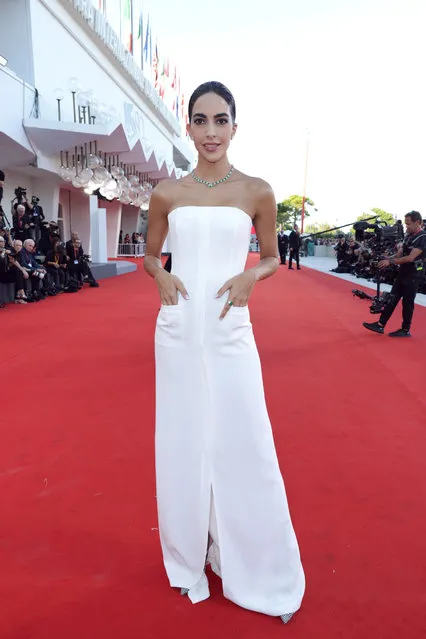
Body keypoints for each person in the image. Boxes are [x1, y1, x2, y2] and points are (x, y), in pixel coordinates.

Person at [144, 81, 305, 624]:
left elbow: (273, 258)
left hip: (231, 325)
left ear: (236, 125)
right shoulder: (166, 192)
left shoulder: (257, 191)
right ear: (187, 126)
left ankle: (259, 565)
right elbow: (149, 257)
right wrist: (161, 275)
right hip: (180, 327)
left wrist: (251, 276)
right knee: (185, 441)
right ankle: (189, 554)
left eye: (221, 120)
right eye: (200, 120)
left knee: (246, 437)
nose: (211, 131)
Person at [363, 210, 426, 337]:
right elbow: (399, 254)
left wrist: (390, 262)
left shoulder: (422, 238)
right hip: (403, 272)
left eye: (408, 224)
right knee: (391, 298)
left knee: (407, 302)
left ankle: (405, 329)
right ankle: (380, 325)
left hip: (414, 274)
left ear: (417, 222)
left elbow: (410, 257)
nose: (406, 226)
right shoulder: (408, 236)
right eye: (405, 223)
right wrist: (386, 259)